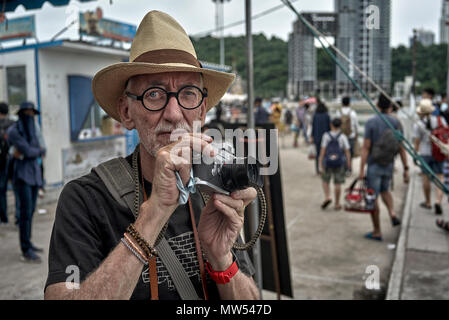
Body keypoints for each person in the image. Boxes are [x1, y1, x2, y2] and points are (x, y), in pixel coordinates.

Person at [44, 10, 259, 300]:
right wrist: (154, 214)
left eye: (187, 94)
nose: (173, 114)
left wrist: (221, 260)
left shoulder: (211, 191)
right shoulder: (85, 200)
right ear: (125, 112)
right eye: (154, 95)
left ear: (202, 110)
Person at [359, 93, 409, 241]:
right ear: (390, 106)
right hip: (389, 164)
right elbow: (401, 147)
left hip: (374, 164)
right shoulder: (396, 123)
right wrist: (406, 168)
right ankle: (392, 212)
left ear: (378, 105)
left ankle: (377, 231)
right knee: (385, 190)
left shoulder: (371, 122)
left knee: (372, 196)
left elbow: (366, 147)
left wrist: (362, 169)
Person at [7, 102, 46, 262]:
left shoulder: (33, 130)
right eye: (27, 113)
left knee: (30, 212)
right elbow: (31, 151)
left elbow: (41, 148)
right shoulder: (14, 131)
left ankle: (29, 243)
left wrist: (31, 152)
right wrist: (34, 152)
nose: (30, 117)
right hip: (22, 176)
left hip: (34, 175)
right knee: (24, 213)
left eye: (32, 114)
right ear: (22, 113)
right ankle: (25, 249)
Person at [413, 98, 447, 215]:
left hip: (425, 153)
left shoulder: (418, 124)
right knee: (440, 177)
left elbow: (417, 142)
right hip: (439, 152)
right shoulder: (440, 120)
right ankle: (438, 201)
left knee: (426, 177)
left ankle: (428, 202)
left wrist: (415, 155)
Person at [318, 118, 351, 211]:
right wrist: (348, 164)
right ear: (340, 126)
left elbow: (323, 150)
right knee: (338, 183)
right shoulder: (343, 136)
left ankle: (327, 196)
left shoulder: (326, 136)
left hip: (328, 162)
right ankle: (337, 203)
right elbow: (347, 151)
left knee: (325, 180)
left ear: (331, 125)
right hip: (339, 162)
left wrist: (320, 163)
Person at [335, 96, 359, 176]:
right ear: (349, 103)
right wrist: (356, 134)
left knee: (342, 153)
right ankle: (349, 169)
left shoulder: (338, 112)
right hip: (350, 136)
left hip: (341, 136)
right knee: (350, 154)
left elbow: (336, 124)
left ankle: (342, 168)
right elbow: (356, 125)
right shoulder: (353, 113)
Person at [0, 102, 14, 225]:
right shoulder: (13, 124)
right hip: (12, 162)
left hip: (2, 162)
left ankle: (3, 217)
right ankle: (14, 218)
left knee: (1, 190)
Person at [311, 102, 331, 174]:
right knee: (325, 153)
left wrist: (312, 136)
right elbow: (329, 127)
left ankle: (318, 169)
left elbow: (313, 127)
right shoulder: (327, 115)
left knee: (318, 154)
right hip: (326, 137)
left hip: (317, 137)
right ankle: (325, 168)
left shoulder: (315, 115)